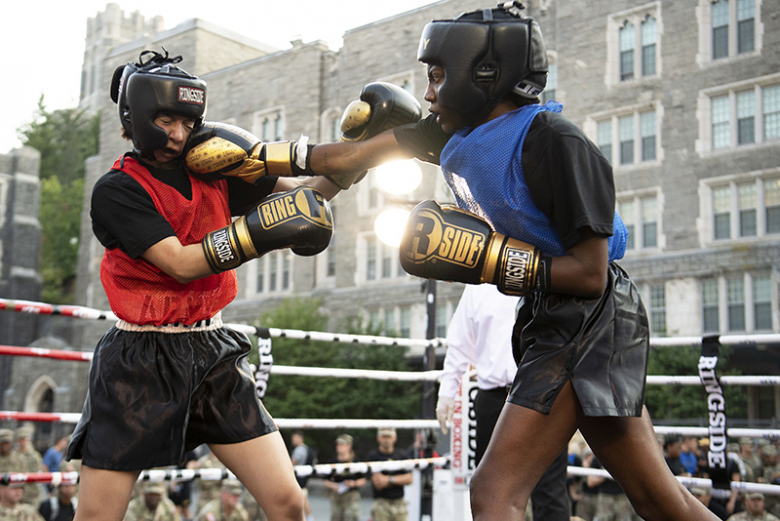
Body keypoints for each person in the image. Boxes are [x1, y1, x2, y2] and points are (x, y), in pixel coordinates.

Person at [301, 2, 722, 519]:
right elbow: (350, 156)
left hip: (589, 316)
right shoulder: (454, 135)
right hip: (558, 315)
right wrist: (259, 159)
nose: (428, 94)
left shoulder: (555, 142)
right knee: (660, 499)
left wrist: (487, 259)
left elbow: (590, 274)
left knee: (494, 491)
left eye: (436, 77)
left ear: (481, 75)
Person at [61, 48, 345, 521]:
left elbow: (302, 200)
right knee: (96, 517)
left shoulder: (211, 170)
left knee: (288, 502)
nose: (178, 135)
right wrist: (257, 233)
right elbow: (180, 263)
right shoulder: (117, 189)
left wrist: (358, 157)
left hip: (212, 349)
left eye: (188, 123)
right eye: (167, 121)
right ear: (137, 117)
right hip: (140, 360)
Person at [436, 283, 570, 520]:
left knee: (549, 489)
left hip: (544, 392)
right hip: (493, 397)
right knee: (488, 487)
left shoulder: (548, 272)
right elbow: (459, 342)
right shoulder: (478, 286)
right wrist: (447, 391)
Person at [365, 428, 413, 521]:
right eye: (383, 437)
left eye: (389, 437)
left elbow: (409, 479)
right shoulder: (373, 456)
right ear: (378, 438)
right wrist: (399, 479)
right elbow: (377, 482)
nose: (386, 440)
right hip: (381, 502)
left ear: (394, 438)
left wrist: (389, 479)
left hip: (399, 502)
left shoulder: (402, 455)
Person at [322, 434, 366, 521]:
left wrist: (354, 484)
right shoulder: (333, 461)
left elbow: (363, 479)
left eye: (342, 445)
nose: (339, 447)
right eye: (338, 444)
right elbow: (325, 480)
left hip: (351, 496)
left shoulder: (355, 461)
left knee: (351, 517)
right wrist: (333, 485)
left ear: (349, 446)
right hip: (337, 496)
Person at [14, 427, 44, 507]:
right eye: (20, 439)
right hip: (16, 491)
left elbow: (38, 473)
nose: (22, 442)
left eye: (24, 439)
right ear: (17, 440)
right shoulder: (14, 455)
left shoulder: (34, 456)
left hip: (31, 493)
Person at [289, 431, 314, 521]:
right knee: (303, 499)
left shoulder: (299, 450)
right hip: (303, 479)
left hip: (299, 479)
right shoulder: (305, 449)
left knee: (302, 500)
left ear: (301, 438)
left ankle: (309, 518)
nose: (293, 440)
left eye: (295, 438)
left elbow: (292, 463)